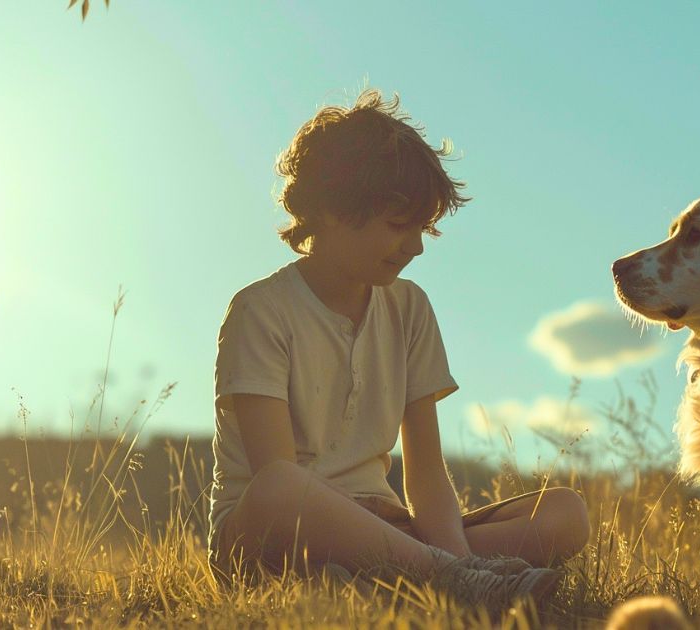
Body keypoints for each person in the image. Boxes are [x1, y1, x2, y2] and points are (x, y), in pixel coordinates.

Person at [206, 89, 590, 610]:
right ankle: (418, 577)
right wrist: (455, 568)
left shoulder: (410, 309)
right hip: (268, 539)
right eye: (397, 225)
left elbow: (426, 472)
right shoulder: (261, 311)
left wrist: (457, 561)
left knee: (565, 513)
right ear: (333, 212)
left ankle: (409, 579)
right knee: (278, 486)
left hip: (389, 528)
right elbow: (276, 476)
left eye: (422, 228)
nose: (415, 246)